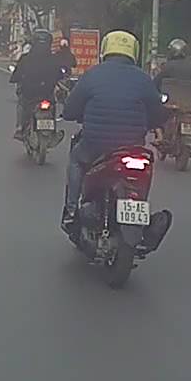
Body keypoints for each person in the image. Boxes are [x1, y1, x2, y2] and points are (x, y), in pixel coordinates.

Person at [60, 30, 169, 233]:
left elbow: (70, 109)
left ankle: (71, 211)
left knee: (76, 160)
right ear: (133, 52)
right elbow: (158, 113)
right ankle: (140, 209)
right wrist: (152, 125)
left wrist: (73, 114)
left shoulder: (92, 75)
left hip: (95, 145)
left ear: (105, 50)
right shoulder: (144, 79)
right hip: (133, 147)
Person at [9, 30, 66, 140]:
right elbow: (60, 75)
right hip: (47, 93)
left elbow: (17, 74)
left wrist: (15, 79)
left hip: (29, 94)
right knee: (52, 105)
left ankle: (20, 128)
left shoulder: (26, 58)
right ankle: (53, 130)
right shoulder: (54, 59)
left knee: (22, 104)